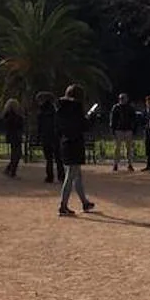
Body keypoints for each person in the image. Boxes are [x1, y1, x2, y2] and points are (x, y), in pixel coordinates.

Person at [55, 84, 96, 216]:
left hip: (65, 142)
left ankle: (84, 202)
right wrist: (89, 117)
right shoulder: (76, 108)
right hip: (75, 143)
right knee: (71, 175)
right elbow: (83, 126)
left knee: (76, 175)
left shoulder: (61, 107)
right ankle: (63, 205)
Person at [35, 91, 64, 184]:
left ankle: (50, 176)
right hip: (55, 136)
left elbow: (40, 126)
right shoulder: (56, 111)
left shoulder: (41, 112)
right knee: (58, 158)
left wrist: (38, 137)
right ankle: (61, 175)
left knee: (49, 158)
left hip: (46, 136)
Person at [109, 92, 138, 172]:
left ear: (127, 99)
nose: (122, 100)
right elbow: (112, 120)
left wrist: (133, 130)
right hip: (119, 130)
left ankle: (130, 164)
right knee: (117, 148)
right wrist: (113, 130)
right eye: (121, 98)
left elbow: (134, 119)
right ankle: (115, 164)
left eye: (123, 98)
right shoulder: (116, 108)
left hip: (128, 130)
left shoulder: (130, 108)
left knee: (129, 148)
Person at [3, 98, 24, 177]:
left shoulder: (10, 115)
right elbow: (17, 125)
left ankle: (10, 169)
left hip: (13, 136)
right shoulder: (11, 115)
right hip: (14, 136)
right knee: (16, 154)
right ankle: (12, 171)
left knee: (15, 154)